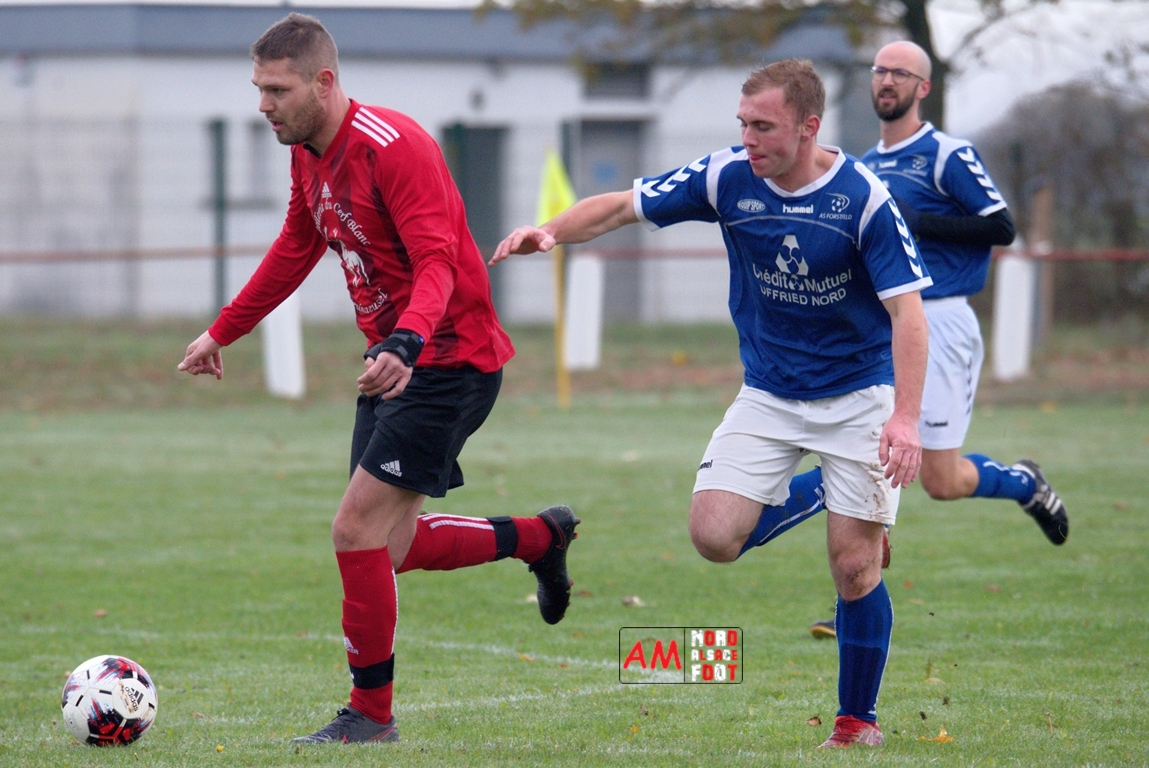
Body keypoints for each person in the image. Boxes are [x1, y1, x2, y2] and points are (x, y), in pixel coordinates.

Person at [494, 58, 931, 749]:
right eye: (742, 123)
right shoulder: (727, 176)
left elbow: (909, 315)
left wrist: (904, 418)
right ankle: (828, 491)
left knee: (854, 566)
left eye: (764, 127)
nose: (748, 138)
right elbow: (622, 205)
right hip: (769, 392)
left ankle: (856, 725)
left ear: (809, 127)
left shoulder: (863, 200)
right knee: (713, 537)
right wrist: (549, 231)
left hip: (858, 395)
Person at [177, 13, 579, 745]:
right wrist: (223, 330)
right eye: (258, 89)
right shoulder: (308, 154)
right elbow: (295, 247)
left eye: (277, 90)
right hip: (392, 363)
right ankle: (537, 537)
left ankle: (371, 713)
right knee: (386, 548)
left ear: (323, 82)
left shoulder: (395, 148)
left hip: (447, 360)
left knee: (354, 530)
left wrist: (406, 341)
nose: (263, 105)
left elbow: (438, 262)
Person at [807, 40, 1070, 639]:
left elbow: (1001, 226)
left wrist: (916, 219)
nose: (886, 81)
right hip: (881, 327)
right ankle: (854, 597)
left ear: (923, 87)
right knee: (864, 454)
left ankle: (1024, 483)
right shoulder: (864, 166)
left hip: (941, 321)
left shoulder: (946, 155)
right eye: (879, 71)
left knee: (941, 481)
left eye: (900, 73)